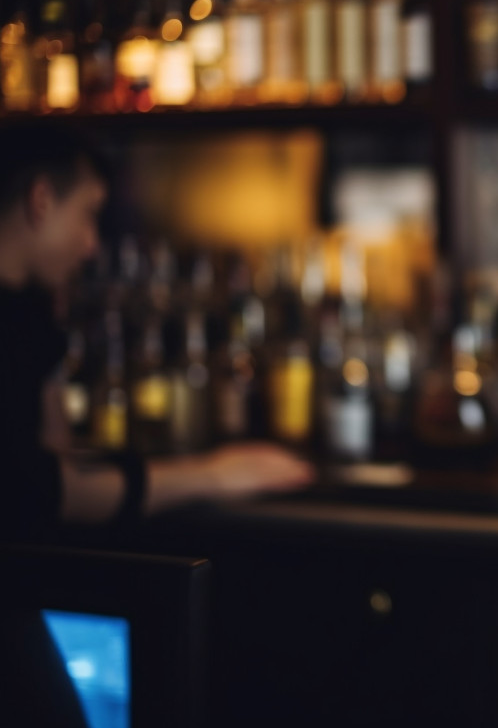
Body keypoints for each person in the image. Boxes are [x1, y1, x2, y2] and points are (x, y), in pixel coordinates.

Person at [0, 123, 316, 540]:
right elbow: (41, 491)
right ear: (41, 201)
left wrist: (47, 332)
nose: (92, 244)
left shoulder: (26, 312)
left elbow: (54, 457)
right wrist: (212, 476)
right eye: (88, 214)